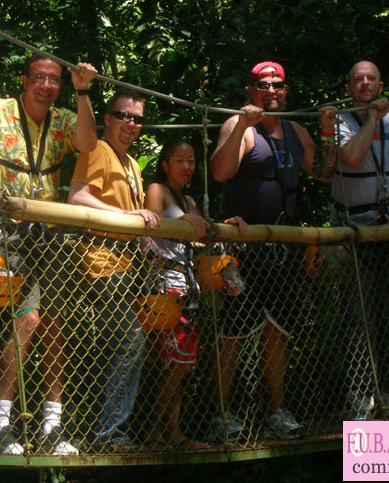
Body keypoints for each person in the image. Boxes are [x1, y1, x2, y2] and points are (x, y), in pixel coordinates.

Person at [209, 61, 337, 441]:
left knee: (275, 332)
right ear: (251, 91)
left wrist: (328, 130)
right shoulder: (238, 126)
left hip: (283, 251)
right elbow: (219, 172)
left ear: (285, 90)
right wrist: (243, 127)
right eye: (262, 85)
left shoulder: (297, 131)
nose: (270, 91)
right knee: (233, 334)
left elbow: (325, 173)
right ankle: (221, 415)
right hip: (242, 249)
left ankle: (277, 412)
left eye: (277, 85)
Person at [0, 54, 98, 455]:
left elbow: (87, 145)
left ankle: (52, 420)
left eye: (54, 81)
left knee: (53, 325)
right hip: (6, 228)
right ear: (25, 80)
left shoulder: (64, 118)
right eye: (40, 78)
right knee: (26, 318)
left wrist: (83, 92)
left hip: (49, 233)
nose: (46, 86)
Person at [68, 90, 159, 449]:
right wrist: (125, 216)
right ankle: (108, 433)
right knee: (129, 343)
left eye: (137, 119)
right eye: (124, 116)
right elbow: (77, 197)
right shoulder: (97, 151)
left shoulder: (133, 165)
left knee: (121, 347)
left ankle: (106, 430)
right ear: (107, 118)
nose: (131, 124)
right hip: (102, 261)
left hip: (130, 264)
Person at [331, 61, 389, 421]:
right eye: (358, 80)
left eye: (370, 79)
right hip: (355, 230)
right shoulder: (338, 123)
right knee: (358, 317)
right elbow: (351, 156)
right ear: (350, 87)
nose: (364, 83)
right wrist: (371, 118)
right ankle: (360, 397)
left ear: (381, 84)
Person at [143, 138, 209, 449]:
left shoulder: (191, 201)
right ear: (166, 165)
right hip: (164, 286)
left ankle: (174, 432)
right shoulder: (158, 190)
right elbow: (154, 226)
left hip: (189, 288)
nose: (187, 167)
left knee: (183, 366)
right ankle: (155, 433)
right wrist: (182, 221)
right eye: (180, 161)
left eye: (191, 161)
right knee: (171, 363)